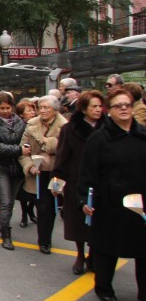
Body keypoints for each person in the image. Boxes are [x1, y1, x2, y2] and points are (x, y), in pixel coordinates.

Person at [78, 88, 146, 301]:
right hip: (109, 202)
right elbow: (87, 172)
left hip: (140, 202)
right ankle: (104, 288)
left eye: (127, 104)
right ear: (110, 110)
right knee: (107, 248)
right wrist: (84, 201)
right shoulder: (99, 138)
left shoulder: (142, 134)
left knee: (143, 249)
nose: (124, 108)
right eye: (118, 105)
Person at [52, 91, 105, 275]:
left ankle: (95, 255)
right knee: (78, 221)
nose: (98, 110)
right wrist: (57, 181)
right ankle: (80, 254)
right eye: (94, 106)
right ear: (83, 109)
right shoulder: (70, 129)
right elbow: (62, 156)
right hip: (76, 180)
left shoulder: (108, 127)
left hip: (102, 181)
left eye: (100, 106)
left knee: (100, 220)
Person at [19, 95, 67, 255]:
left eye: (47, 107)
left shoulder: (65, 126)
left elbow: (67, 151)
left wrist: (49, 144)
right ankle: (44, 240)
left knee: (52, 206)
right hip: (38, 174)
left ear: (55, 109)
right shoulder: (31, 125)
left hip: (57, 173)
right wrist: (30, 166)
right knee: (42, 205)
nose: (43, 110)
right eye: (41, 107)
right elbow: (23, 149)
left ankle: (46, 238)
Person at [0, 91, 29, 251]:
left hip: (16, 167)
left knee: (10, 202)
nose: (5, 111)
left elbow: (26, 141)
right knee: (6, 200)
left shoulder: (20, 122)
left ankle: (5, 225)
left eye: (8, 107)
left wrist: (22, 151)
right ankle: (6, 234)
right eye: (2, 108)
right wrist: (18, 150)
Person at [15, 100, 38, 229]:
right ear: (21, 114)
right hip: (22, 160)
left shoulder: (37, 124)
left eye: (33, 110)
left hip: (36, 159)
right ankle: (24, 214)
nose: (32, 113)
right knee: (24, 191)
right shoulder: (20, 126)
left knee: (36, 189)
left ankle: (30, 209)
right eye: (29, 110)